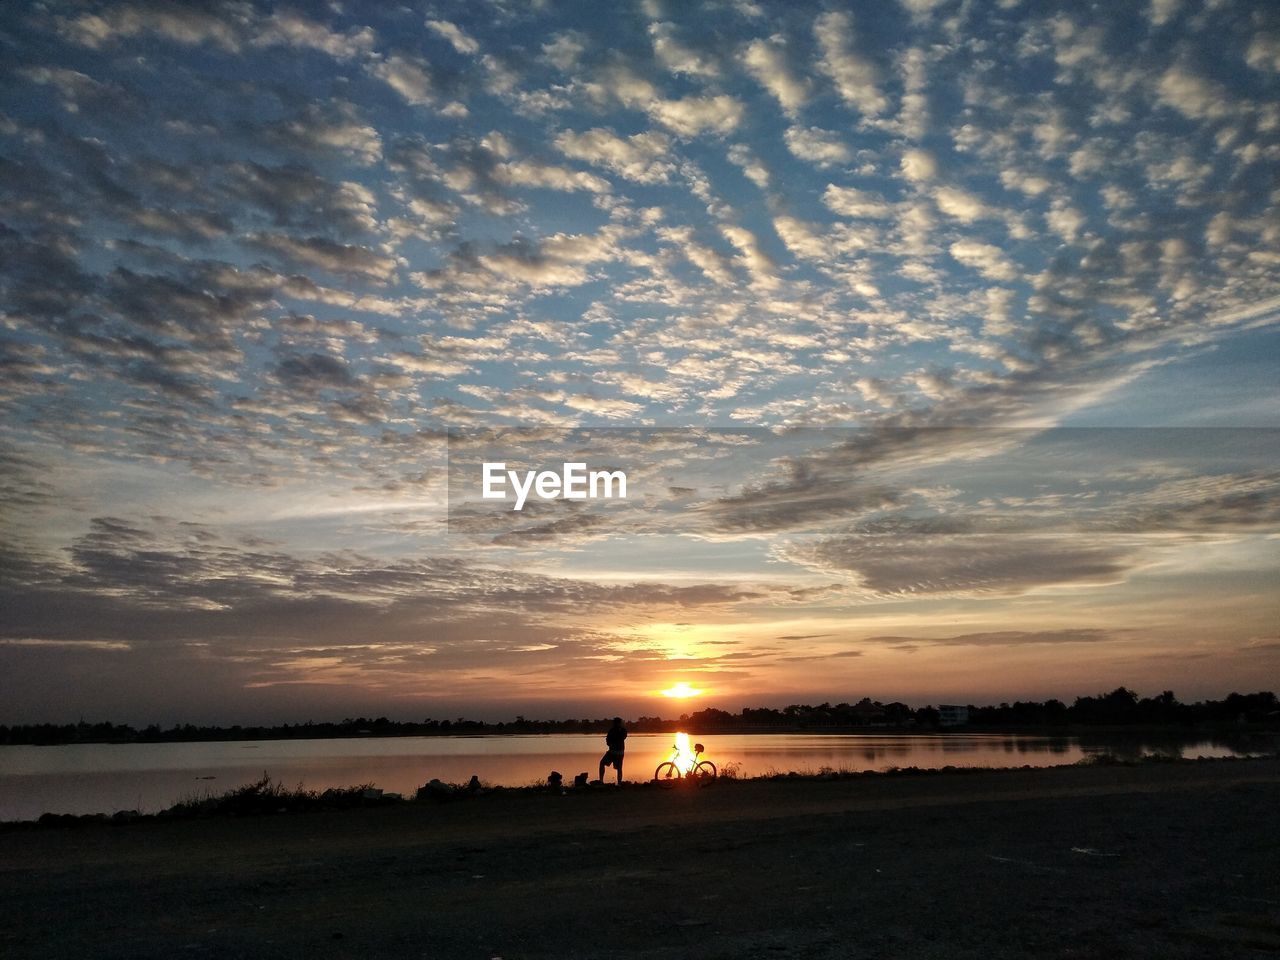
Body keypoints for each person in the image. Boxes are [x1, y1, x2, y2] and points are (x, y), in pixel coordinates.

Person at [598, 717, 628, 784]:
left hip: (614, 752)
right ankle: (619, 783)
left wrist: (611, 743)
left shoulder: (615, 730)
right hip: (618, 752)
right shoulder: (621, 730)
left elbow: (608, 741)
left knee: (602, 763)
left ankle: (601, 780)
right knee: (619, 768)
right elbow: (609, 741)